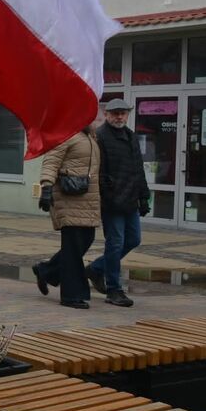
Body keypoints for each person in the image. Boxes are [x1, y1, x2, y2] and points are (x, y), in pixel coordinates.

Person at [86, 99, 149, 307]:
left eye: (123, 113)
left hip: (130, 200)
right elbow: (98, 170)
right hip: (112, 201)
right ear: (107, 115)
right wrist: (107, 193)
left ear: (128, 114)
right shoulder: (101, 136)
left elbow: (138, 169)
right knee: (115, 244)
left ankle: (96, 268)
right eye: (115, 113)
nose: (119, 117)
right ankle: (114, 289)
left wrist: (143, 197)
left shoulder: (131, 136)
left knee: (134, 239)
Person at [32, 126, 102, 309]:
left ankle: (46, 271)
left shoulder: (89, 136)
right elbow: (51, 162)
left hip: (87, 200)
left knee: (85, 240)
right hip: (69, 198)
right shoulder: (65, 134)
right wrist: (46, 188)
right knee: (73, 247)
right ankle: (71, 295)